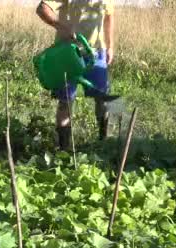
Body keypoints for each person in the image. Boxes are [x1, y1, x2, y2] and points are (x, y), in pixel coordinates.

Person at [36, 0, 115, 150]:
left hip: (96, 53)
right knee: (65, 101)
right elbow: (42, 8)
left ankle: (103, 141)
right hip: (67, 53)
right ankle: (64, 149)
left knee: (102, 98)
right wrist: (61, 26)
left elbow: (109, 16)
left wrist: (110, 46)